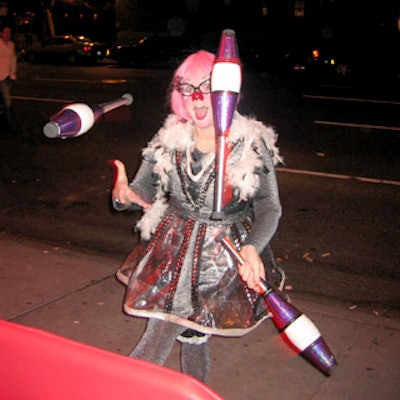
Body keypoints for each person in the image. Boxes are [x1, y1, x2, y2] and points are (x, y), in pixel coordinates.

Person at [111, 49, 286, 383]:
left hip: (222, 257)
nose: (196, 95)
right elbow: (141, 192)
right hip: (174, 249)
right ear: (179, 95)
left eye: (206, 85)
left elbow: (268, 206)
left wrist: (253, 248)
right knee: (187, 332)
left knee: (171, 332)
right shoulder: (168, 138)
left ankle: (119, 388)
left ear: (226, 91)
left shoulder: (251, 143)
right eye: (186, 86)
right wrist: (124, 198)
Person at [0, 25, 18, 133]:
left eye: (9, 32)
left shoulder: (11, 45)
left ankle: (4, 122)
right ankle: (12, 125)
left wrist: (13, 73)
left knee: (2, 102)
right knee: (7, 101)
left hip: (8, 77)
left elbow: (13, 59)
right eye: (5, 32)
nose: (8, 35)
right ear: (1, 33)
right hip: (0, 78)